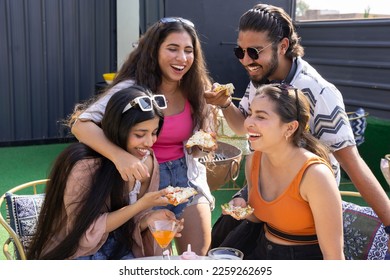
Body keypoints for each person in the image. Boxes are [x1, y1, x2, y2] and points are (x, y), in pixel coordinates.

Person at [205, 3, 390, 249]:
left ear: (283, 46)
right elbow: (244, 128)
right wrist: (227, 104)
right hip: (264, 192)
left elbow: (351, 162)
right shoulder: (261, 78)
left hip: (302, 206)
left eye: (254, 51)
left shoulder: (318, 92)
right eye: (240, 52)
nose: (246, 60)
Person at [71, 17, 217, 255]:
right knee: (154, 260)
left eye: (188, 50)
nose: (182, 58)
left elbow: (199, 142)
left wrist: (203, 144)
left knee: (198, 257)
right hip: (146, 182)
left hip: (188, 179)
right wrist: (121, 157)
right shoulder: (131, 88)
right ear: (154, 51)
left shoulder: (197, 88)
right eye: (173, 48)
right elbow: (81, 125)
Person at [27, 85, 181, 260]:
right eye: (140, 134)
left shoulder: (149, 161)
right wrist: (140, 205)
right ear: (118, 129)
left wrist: (150, 219)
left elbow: (131, 223)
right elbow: (83, 234)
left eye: (154, 133)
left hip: (121, 249)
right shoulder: (85, 166)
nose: (149, 142)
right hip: (77, 252)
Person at [243, 84, 344, 259]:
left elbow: (334, 257)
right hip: (260, 252)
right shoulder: (253, 160)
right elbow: (261, 214)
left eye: (260, 116)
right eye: (251, 113)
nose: (248, 122)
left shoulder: (316, 175)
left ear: (290, 128)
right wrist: (241, 206)